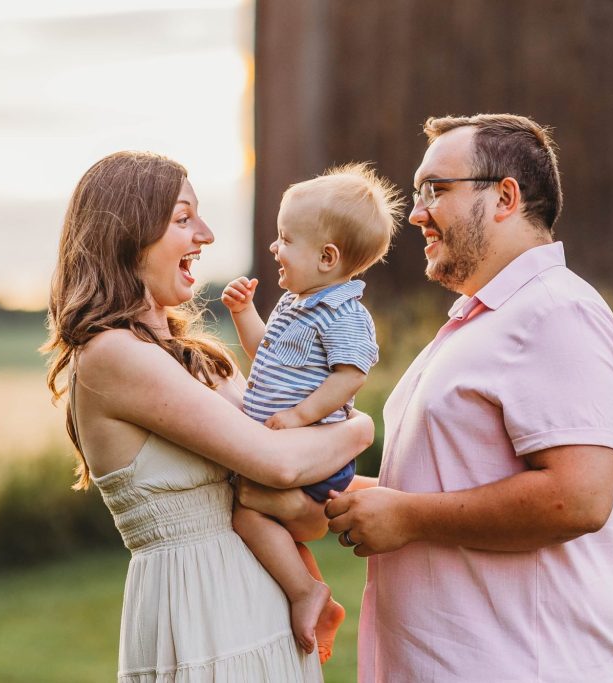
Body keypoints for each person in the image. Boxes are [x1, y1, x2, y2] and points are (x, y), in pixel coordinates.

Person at [325, 114, 613, 682]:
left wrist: (408, 515)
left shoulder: (555, 311)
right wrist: (342, 494)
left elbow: (580, 496)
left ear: (505, 197)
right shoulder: (482, 323)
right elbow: (453, 480)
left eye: (435, 190)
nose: (416, 212)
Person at [42, 150, 374, 682]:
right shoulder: (112, 355)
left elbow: (304, 498)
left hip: (261, 618)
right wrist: (360, 429)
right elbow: (279, 464)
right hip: (200, 620)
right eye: (182, 218)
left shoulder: (195, 357)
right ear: (129, 234)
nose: (206, 233)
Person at [220, 163, 401, 661]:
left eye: (285, 239)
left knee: (247, 515)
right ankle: (318, 591)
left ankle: (307, 593)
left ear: (327, 257)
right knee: (277, 520)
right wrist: (244, 315)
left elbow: (352, 375)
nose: (275, 248)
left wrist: (301, 416)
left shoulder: (343, 312)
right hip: (291, 446)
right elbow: (265, 356)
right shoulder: (294, 304)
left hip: (311, 448)